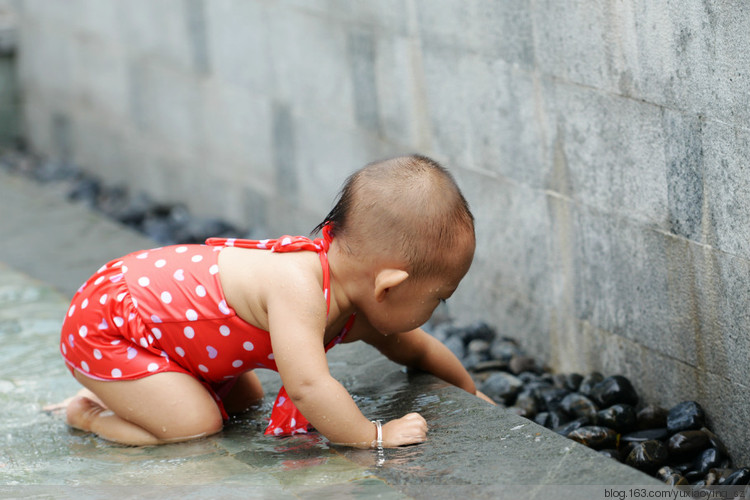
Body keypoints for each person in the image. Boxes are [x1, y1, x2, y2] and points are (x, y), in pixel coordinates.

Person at [56, 154, 492, 449]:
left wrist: (474, 395)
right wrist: (373, 435)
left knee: (242, 400)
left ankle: (141, 386)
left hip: (165, 331)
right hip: (112, 322)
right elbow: (309, 388)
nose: (434, 313)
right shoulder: (298, 288)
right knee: (195, 425)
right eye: (438, 299)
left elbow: (418, 349)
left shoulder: (353, 299)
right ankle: (90, 412)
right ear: (388, 287)